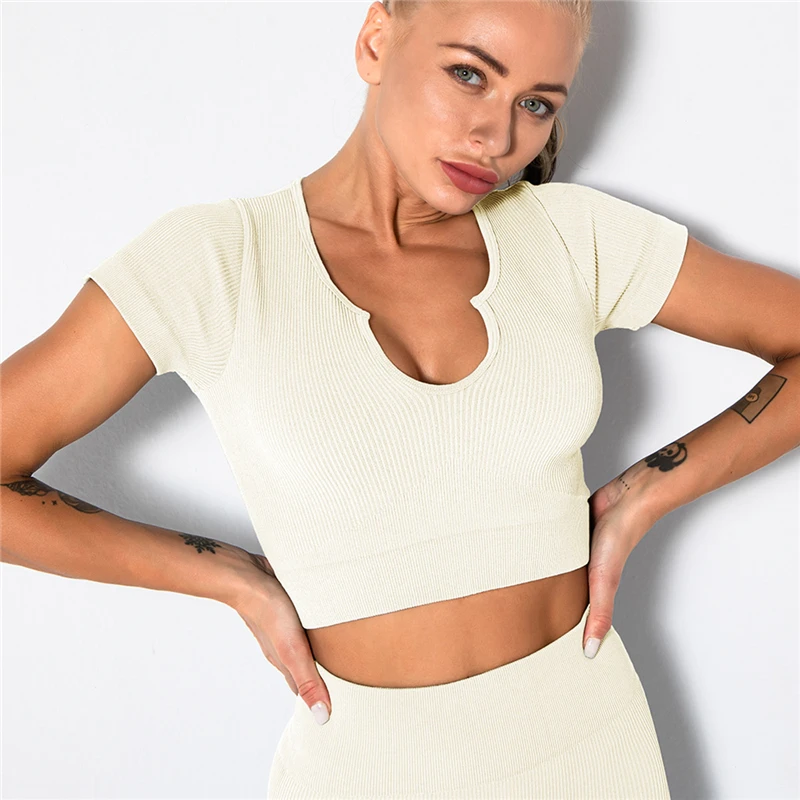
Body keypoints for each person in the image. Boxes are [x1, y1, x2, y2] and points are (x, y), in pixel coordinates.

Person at [3, 0, 799, 797]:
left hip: (592, 751)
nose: (496, 136)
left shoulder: (569, 236)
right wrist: (228, 575)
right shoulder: (216, 263)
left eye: (535, 104)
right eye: (469, 75)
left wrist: (651, 490)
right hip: (368, 771)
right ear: (377, 40)